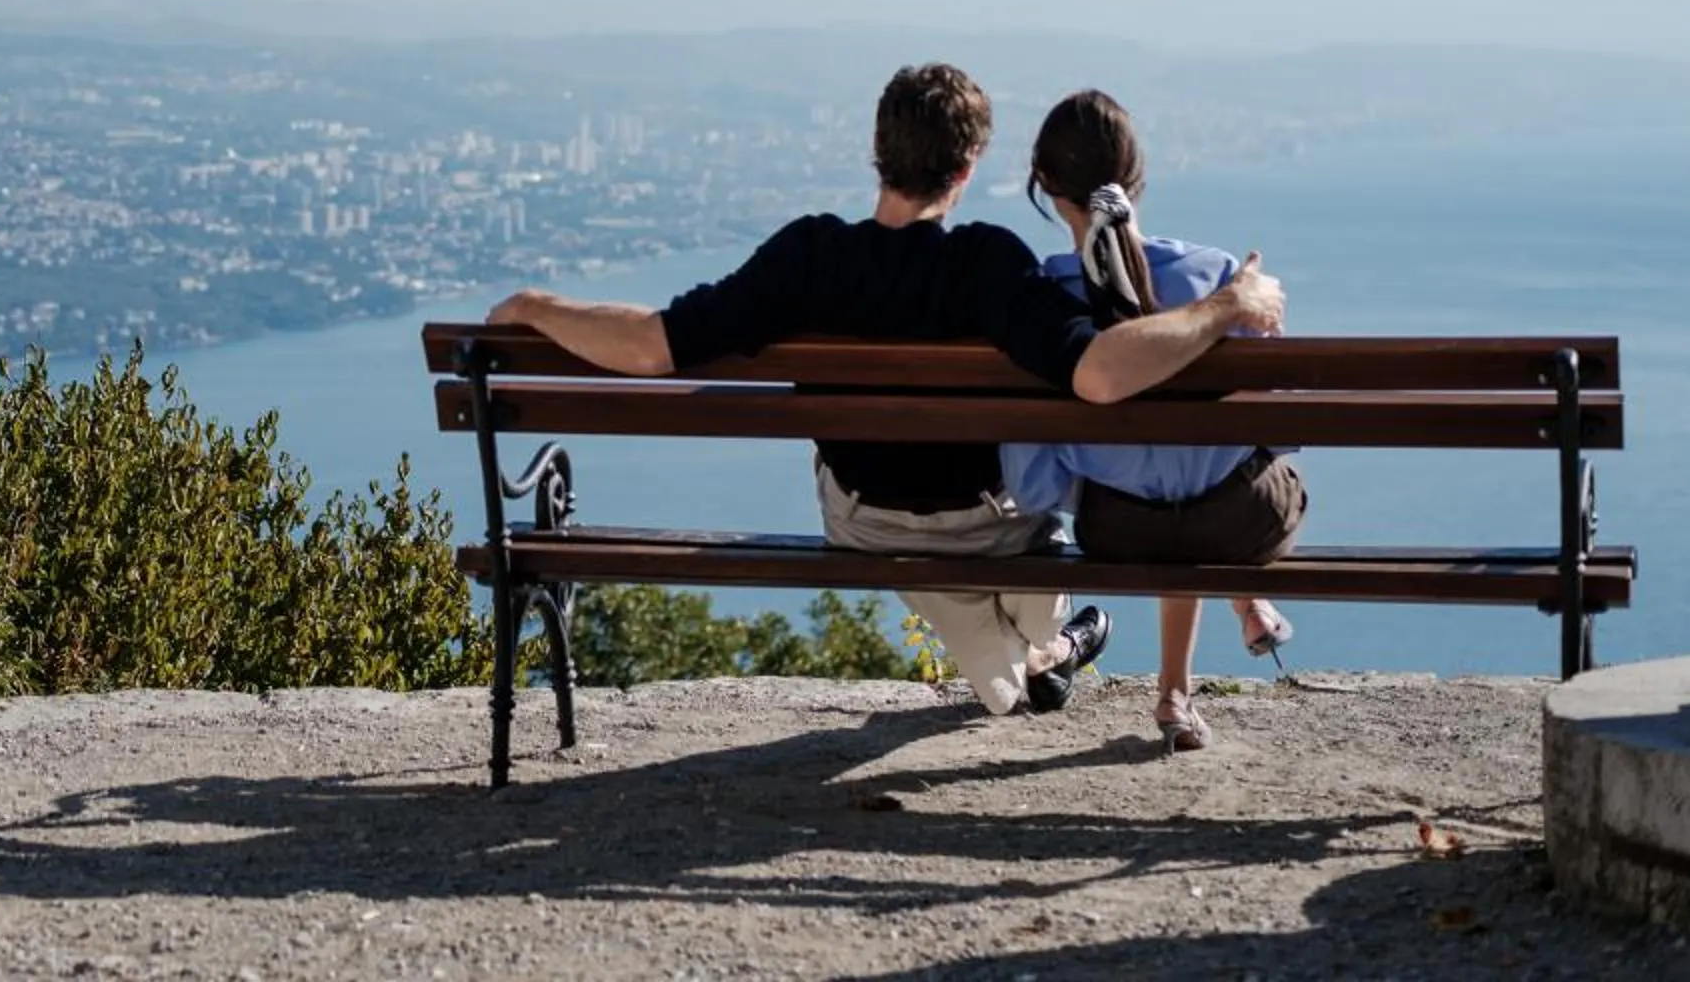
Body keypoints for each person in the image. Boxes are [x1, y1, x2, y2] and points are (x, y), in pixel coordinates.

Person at [486, 63, 1286, 719]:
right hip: (990, 528)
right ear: (968, 168)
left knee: (1008, 691)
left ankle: (1046, 650)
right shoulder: (988, 262)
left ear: (879, 152)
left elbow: (654, 346)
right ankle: (1057, 644)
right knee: (1021, 659)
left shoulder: (807, 256)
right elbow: (1101, 373)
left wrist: (532, 307)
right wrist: (1226, 303)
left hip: (865, 524)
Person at [998, 90, 1309, 754]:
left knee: (1161, 499)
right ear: (1137, 180)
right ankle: (1182, 683)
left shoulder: (1044, 307)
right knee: (1208, 490)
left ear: (1046, 187)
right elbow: (1283, 428)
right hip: (1244, 523)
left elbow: (1034, 485)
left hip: (1120, 533)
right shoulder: (1219, 276)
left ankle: (1184, 681)